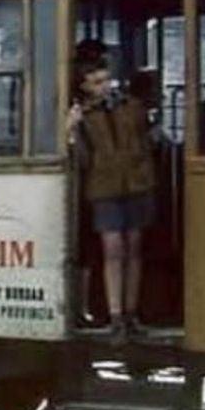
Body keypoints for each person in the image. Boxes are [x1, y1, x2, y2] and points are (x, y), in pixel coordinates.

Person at [68, 55, 157, 339]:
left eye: (107, 80)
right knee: (113, 250)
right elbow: (81, 159)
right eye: (97, 82)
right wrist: (70, 130)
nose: (105, 86)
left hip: (135, 183)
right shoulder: (85, 115)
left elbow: (146, 140)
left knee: (133, 247)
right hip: (104, 187)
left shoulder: (131, 107)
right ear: (85, 87)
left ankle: (130, 313)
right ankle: (116, 314)